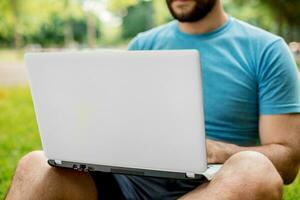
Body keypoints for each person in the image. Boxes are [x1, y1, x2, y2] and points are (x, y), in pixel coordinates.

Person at [5, 0, 300, 199]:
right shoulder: (144, 44)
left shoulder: (267, 50)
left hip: (216, 185)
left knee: (254, 170)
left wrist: (217, 151)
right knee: (35, 164)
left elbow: (287, 163)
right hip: (131, 182)